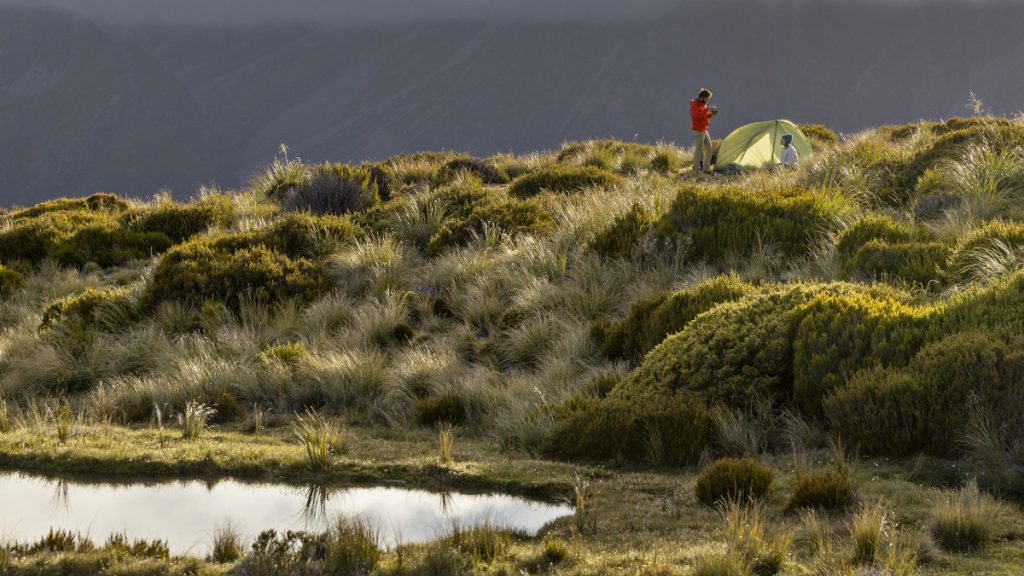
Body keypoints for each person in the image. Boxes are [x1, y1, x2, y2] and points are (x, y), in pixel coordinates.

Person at [690, 88, 718, 174]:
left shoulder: (703, 105)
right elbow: (696, 117)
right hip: (698, 130)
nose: (707, 100)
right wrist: (706, 110)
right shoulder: (694, 105)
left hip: (704, 129)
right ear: (702, 97)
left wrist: (711, 114)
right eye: (707, 98)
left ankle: (706, 169)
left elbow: (704, 117)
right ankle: (696, 169)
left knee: (709, 148)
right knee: (699, 150)